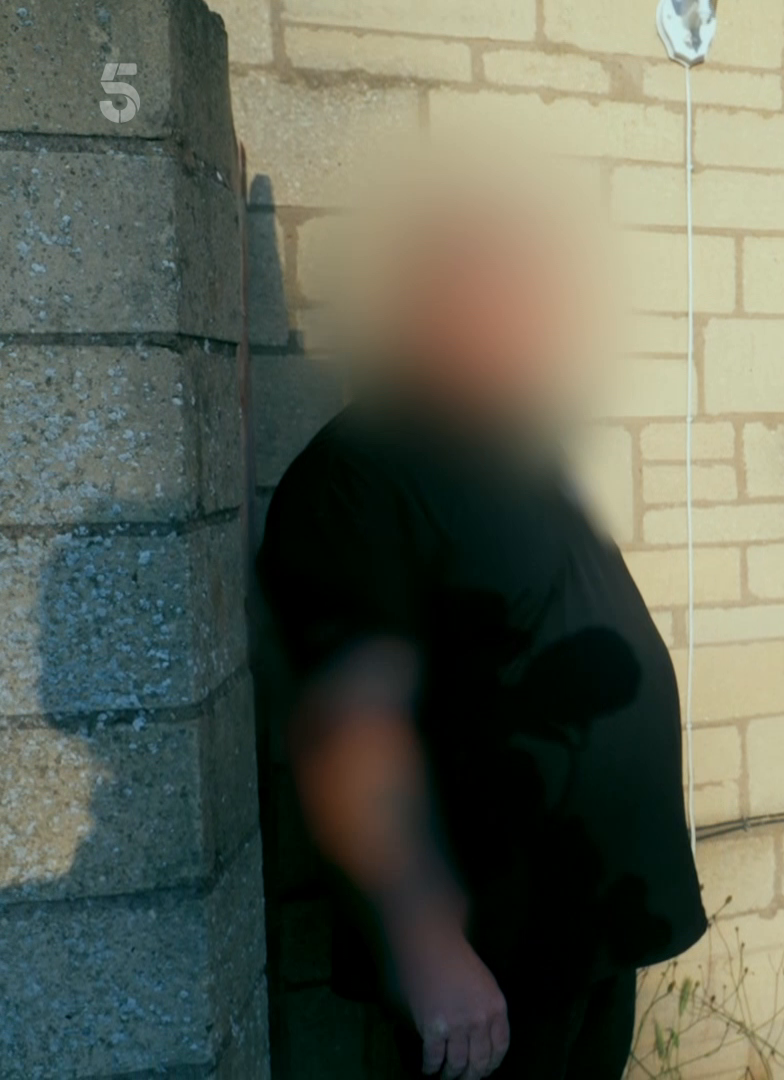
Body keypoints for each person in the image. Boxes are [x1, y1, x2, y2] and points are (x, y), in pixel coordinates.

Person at [255, 173, 705, 1079]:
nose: (537, 322)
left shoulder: (508, 447)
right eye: (506, 297)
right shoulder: (357, 475)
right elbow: (343, 730)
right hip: (489, 968)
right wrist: (428, 951)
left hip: (587, 930)